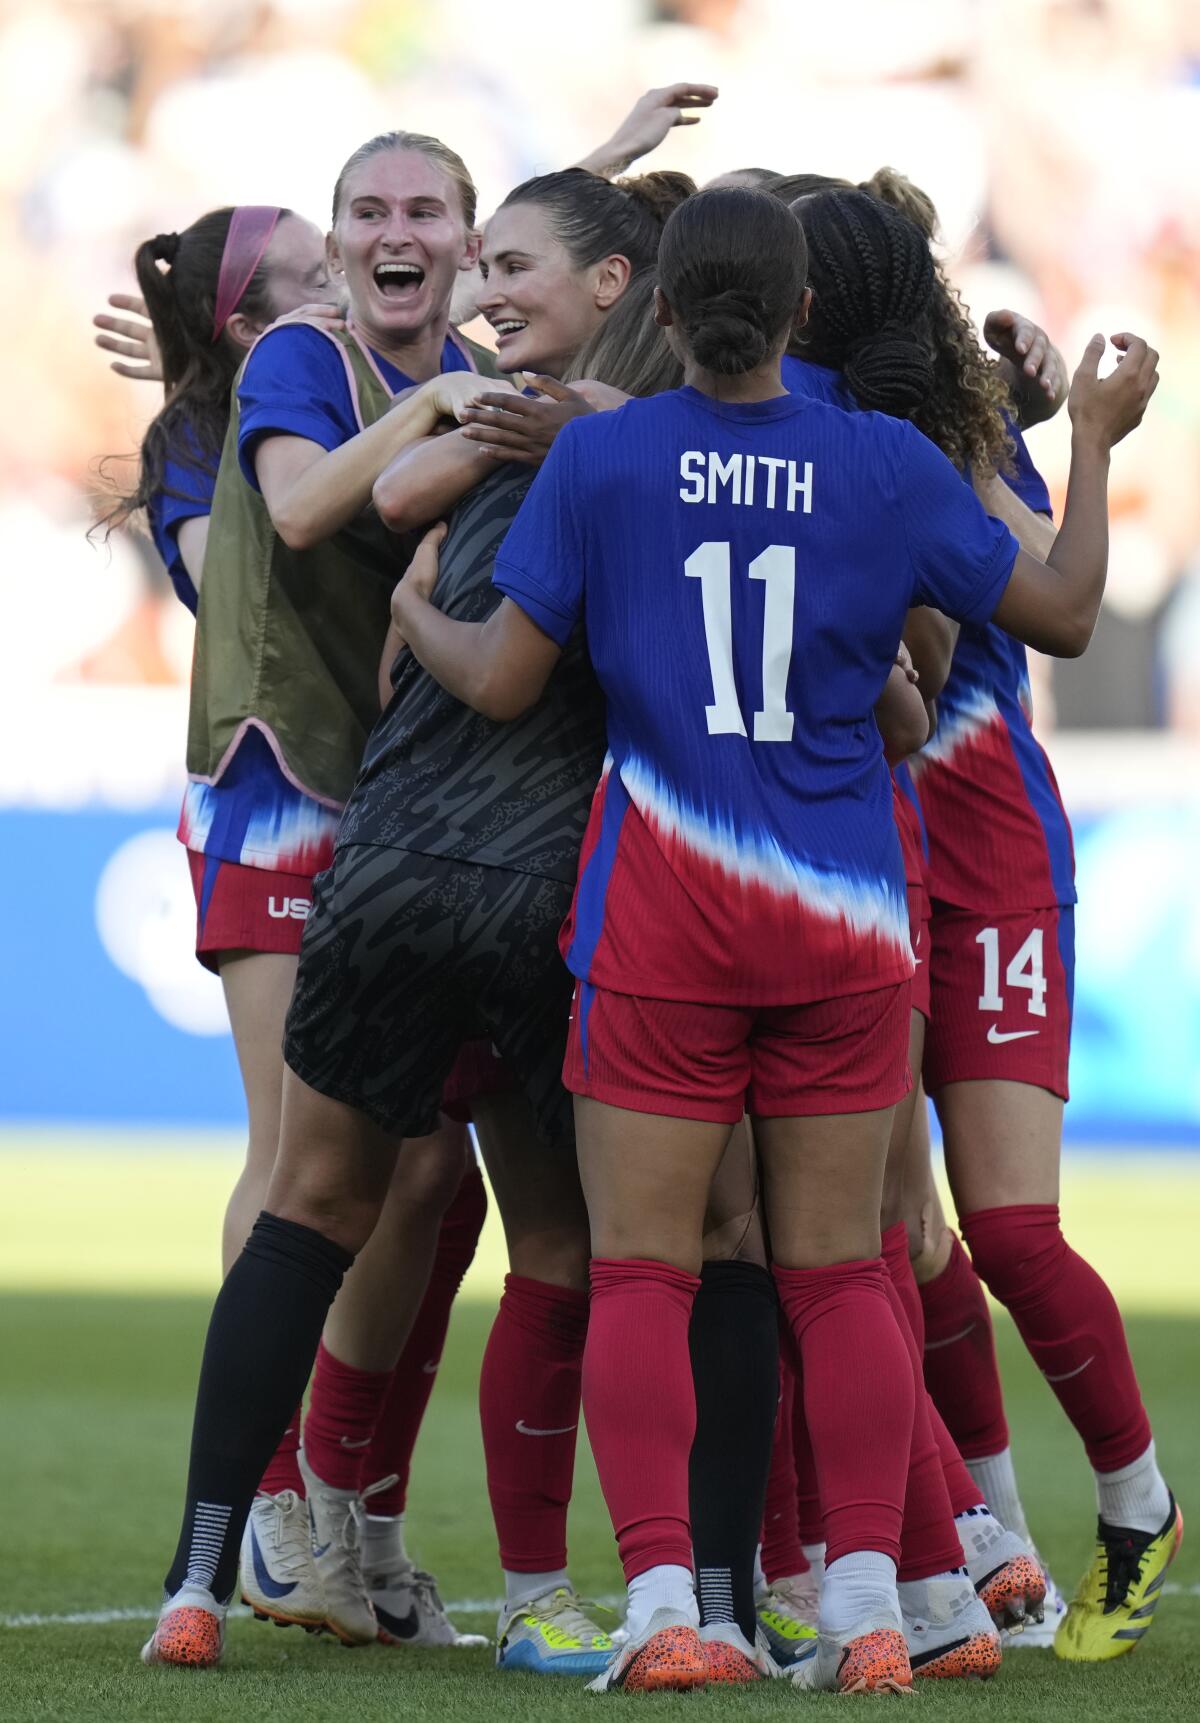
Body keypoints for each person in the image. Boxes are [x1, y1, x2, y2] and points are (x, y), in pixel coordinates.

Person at [388, 186, 1157, 1693]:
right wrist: (1096, 440)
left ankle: (669, 1609)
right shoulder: (880, 462)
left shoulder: (605, 455)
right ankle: (875, 1606)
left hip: (663, 919)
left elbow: (497, 677)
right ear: (804, 316)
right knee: (843, 1273)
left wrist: (417, 610)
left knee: (646, 1276)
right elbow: (1059, 612)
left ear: (661, 311)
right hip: (848, 923)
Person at [137, 166, 689, 1677]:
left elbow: (399, 506)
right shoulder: (572, 429)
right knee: (557, 1234)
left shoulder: (476, 407)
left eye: (454, 232)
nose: (422, 254)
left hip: (385, 856)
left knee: (364, 1192)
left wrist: (424, 565)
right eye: (363, 223)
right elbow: (351, 509)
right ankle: (523, 1589)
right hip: (520, 875)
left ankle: (239, 1556)